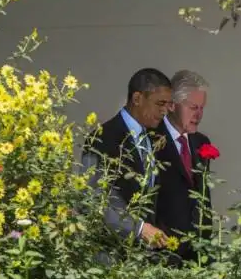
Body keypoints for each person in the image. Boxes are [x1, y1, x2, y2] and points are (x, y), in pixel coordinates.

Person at [81, 68, 172, 251]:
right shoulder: (102, 138)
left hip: (145, 256)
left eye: (168, 104)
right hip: (112, 253)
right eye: (160, 103)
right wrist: (138, 229)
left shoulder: (156, 136)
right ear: (137, 99)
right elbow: (92, 199)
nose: (164, 111)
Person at [154, 70, 214, 264]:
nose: (199, 114)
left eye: (202, 108)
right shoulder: (151, 139)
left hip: (197, 255)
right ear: (172, 104)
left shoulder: (201, 141)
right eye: (193, 107)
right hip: (162, 252)